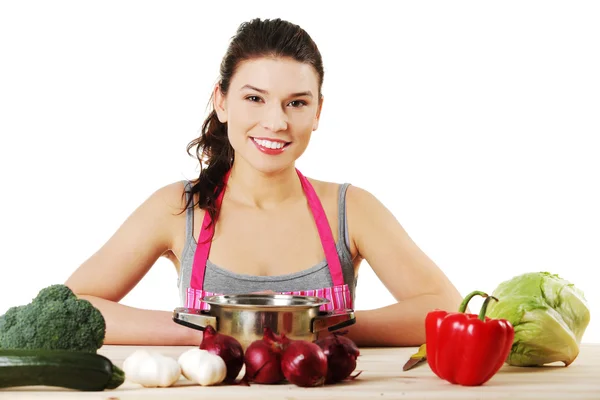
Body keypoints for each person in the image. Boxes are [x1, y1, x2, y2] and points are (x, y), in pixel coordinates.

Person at [65, 18, 463, 347]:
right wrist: (205, 331)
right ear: (221, 101)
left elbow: (445, 306)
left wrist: (314, 329)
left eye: (297, 102)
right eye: (255, 98)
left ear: (318, 112)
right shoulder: (178, 207)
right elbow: (74, 305)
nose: (276, 122)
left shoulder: (351, 210)